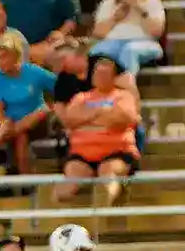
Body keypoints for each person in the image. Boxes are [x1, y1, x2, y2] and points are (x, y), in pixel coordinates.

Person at [57, 55, 140, 205]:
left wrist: (85, 121)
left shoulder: (123, 96)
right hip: (82, 153)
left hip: (116, 152)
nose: (100, 77)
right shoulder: (81, 98)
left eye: (105, 74)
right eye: (97, 73)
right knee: (70, 178)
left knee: (107, 172)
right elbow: (69, 121)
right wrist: (99, 114)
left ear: (113, 77)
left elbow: (122, 120)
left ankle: (104, 205)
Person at [0, 32, 58, 175]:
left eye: (4, 56)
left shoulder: (34, 72)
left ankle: (22, 181)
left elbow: (61, 87)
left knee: (41, 111)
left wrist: (56, 106)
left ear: (16, 56)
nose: (0, 61)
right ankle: (25, 181)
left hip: (38, 123)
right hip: (11, 124)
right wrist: (6, 127)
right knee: (21, 136)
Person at [89, 0, 165, 74]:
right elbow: (98, 33)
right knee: (96, 52)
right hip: (113, 42)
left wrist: (138, 8)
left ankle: (127, 87)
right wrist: (116, 18)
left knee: (129, 50)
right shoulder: (108, 2)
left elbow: (156, 32)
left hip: (144, 42)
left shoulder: (151, 1)